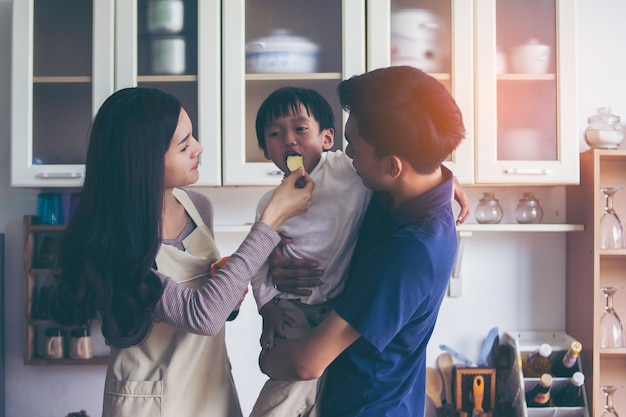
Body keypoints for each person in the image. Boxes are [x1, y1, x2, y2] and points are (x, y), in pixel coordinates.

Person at [48, 86, 313, 417]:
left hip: (212, 393)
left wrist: (230, 295)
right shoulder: (116, 244)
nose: (199, 148)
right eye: (185, 145)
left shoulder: (197, 206)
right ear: (142, 160)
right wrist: (271, 218)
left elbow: (213, 311)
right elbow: (201, 316)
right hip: (151, 405)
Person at [258, 66, 466, 417]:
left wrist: (266, 357)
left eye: (354, 146)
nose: (345, 152)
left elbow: (307, 363)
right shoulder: (395, 193)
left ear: (392, 167)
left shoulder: (412, 250)